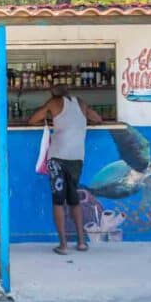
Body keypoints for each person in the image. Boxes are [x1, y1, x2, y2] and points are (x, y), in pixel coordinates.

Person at [28, 84, 102, 255]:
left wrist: (48, 113)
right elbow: (97, 118)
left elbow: (32, 119)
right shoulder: (81, 103)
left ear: (53, 94)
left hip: (58, 159)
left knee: (58, 201)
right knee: (74, 199)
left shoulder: (54, 103)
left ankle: (63, 244)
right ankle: (82, 242)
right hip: (77, 158)